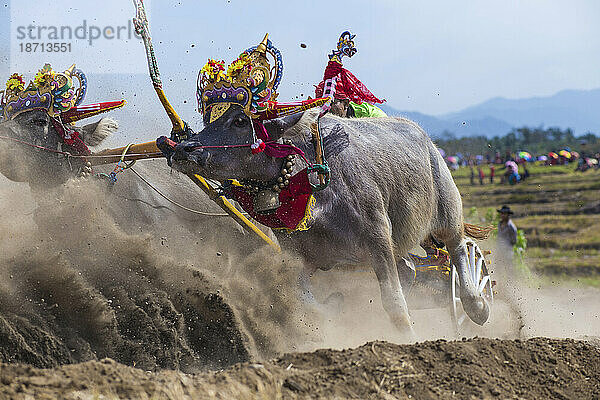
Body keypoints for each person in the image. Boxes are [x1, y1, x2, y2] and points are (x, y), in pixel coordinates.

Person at [315, 31, 386, 118]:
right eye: (320, 105)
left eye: (331, 104)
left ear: (346, 104)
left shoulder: (372, 116)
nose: (327, 111)